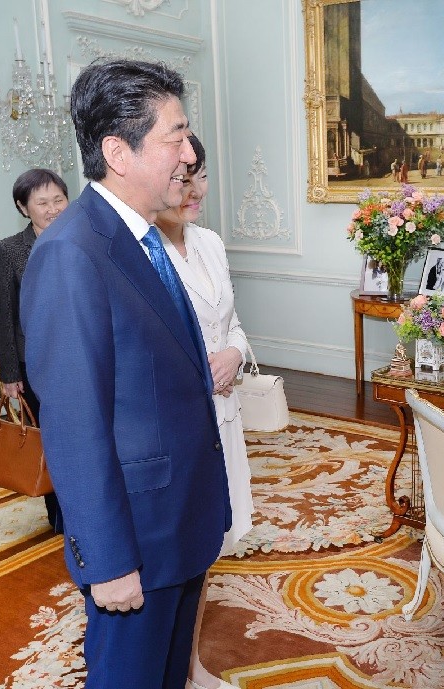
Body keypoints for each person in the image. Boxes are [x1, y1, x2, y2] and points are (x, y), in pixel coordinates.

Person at [20, 59, 232, 689]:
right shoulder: (71, 255)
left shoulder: (141, 238)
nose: (190, 153)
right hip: (134, 543)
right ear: (118, 150)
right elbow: (74, 424)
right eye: (175, 135)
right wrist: (108, 560)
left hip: (177, 523)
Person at [154, 134, 253, 689]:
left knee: (208, 550)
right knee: (179, 556)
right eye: (182, 176)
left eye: (201, 175)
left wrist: (234, 353)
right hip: (181, 428)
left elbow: (231, 323)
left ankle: (191, 666)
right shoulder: (146, 251)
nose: (194, 189)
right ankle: (173, 670)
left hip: (226, 418)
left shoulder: (211, 242)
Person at [0, 168, 68, 533]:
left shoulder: (80, 240)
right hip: (35, 364)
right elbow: (2, 316)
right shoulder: (9, 250)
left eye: (59, 200)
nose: (53, 209)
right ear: (24, 208)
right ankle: (61, 517)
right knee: (51, 442)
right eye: (42, 203)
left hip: (79, 358)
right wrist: (9, 375)